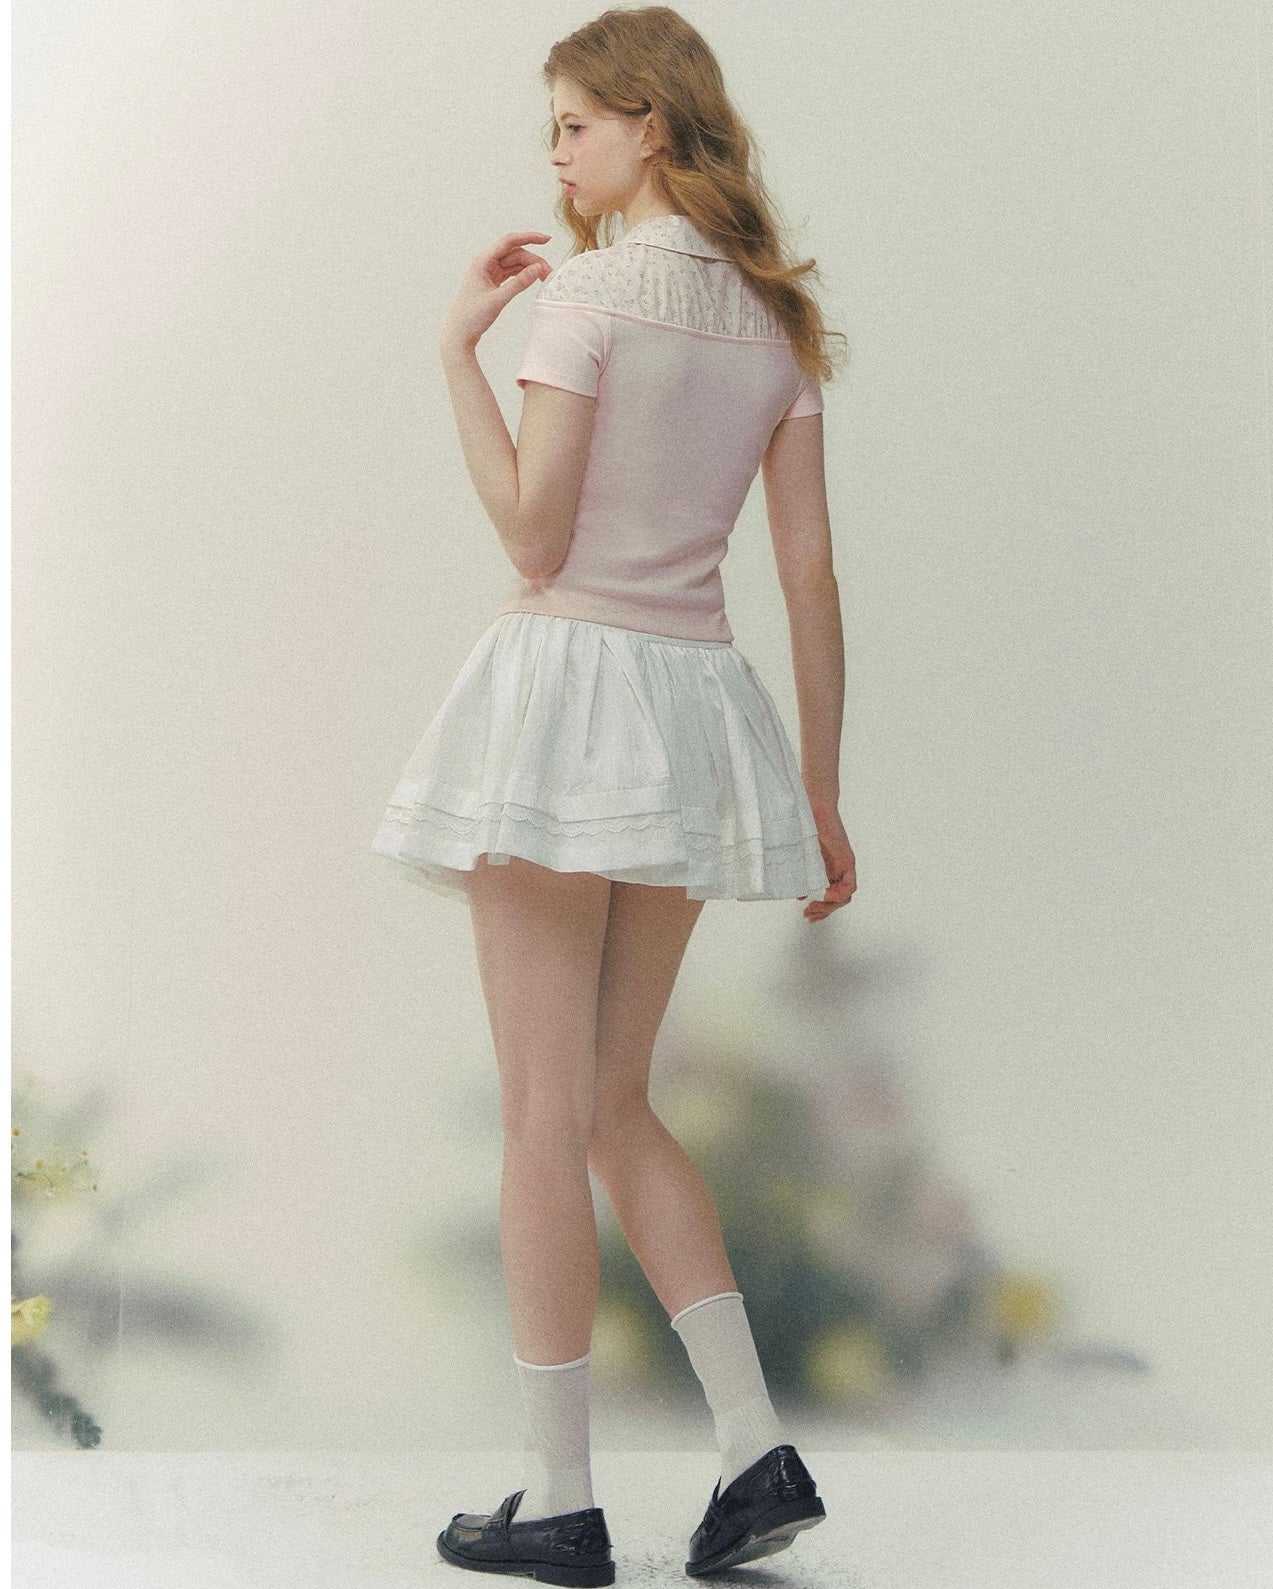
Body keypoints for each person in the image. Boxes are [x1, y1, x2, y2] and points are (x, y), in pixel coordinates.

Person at [371, 7, 856, 1583]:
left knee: (542, 1109)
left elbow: (533, 535)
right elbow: (806, 575)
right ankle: (753, 1446)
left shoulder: (583, 298)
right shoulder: (770, 321)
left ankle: (558, 1494)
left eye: (573, 122)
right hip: (695, 710)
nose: (558, 153)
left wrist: (454, 356)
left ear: (649, 121)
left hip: (565, 699)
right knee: (612, 1100)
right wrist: (821, 790)